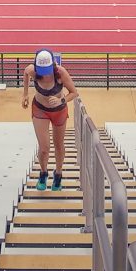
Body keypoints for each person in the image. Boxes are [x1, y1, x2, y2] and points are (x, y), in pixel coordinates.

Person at [22, 49, 78, 191]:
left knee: (59, 145)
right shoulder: (33, 70)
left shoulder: (60, 73)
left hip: (59, 111)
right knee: (44, 148)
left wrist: (61, 100)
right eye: (42, 70)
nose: (45, 73)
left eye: (47, 70)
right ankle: (43, 172)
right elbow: (26, 72)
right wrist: (25, 94)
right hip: (40, 110)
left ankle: (58, 174)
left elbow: (74, 93)